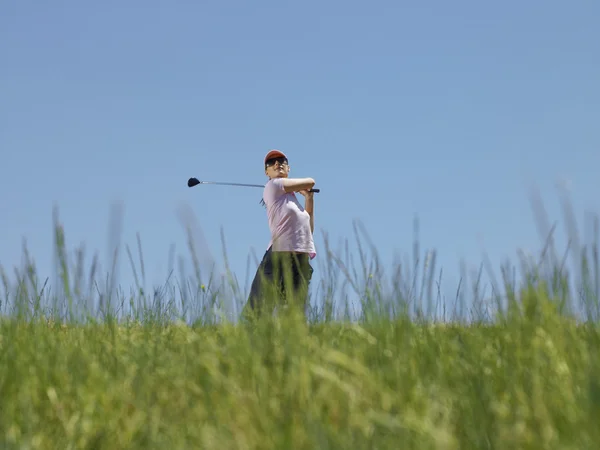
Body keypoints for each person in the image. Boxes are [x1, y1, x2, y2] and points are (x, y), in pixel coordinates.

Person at [243, 149, 317, 320]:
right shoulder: (273, 186)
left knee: (293, 314)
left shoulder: (292, 200)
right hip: (279, 255)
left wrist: (309, 199)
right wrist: (305, 186)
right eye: (271, 162)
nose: (277, 163)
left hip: (300, 260)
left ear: (288, 168)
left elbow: (308, 232)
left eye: (282, 160)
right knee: (260, 310)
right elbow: (311, 181)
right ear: (267, 173)